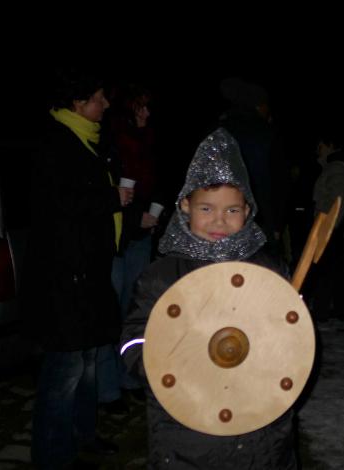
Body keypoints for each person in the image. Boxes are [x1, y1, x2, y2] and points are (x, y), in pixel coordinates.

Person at [120, 128, 298, 469]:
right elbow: (134, 341)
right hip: (189, 431)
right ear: (185, 206)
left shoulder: (268, 269)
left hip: (260, 431)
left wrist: (290, 321)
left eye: (232, 210)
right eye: (206, 208)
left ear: (248, 210)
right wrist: (172, 369)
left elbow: (292, 337)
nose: (219, 220)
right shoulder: (161, 276)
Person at [22, 67, 130, 468]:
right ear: (78, 102)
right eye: (99, 98)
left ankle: (83, 436)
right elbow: (57, 207)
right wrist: (110, 198)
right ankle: (52, 455)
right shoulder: (55, 142)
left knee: (86, 363)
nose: (105, 105)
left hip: (88, 273)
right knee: (65, 369)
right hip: (63, 277)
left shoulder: (87, 140)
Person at [96, 83, 161, 412]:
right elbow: (108, 195)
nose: (146, 113)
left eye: (148, 107)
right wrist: (136, 217)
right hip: (115, 240)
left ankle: (129, 378)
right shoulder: (109, 142)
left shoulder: (150, 141)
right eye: (140, 107)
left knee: (134, 311)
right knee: (109, 312)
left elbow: (159, 182)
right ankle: (107, 390)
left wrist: (156, 213)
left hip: (140, 237)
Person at [219, 77, 289, 258]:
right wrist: (277, 224)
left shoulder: (218, 131)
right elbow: (279, 182)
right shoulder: (268, 133)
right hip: (260, 221)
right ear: (259, 106)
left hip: (220, 219)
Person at [309, 129, 344, 322]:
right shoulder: (334, 167)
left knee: (326, 272)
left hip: (335, 229)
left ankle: (322, 312)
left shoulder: (335, 168)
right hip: (341, 229)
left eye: (321, 146)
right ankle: (340, 311)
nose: (318, 150)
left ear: (330, 146)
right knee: (339, 272)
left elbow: (338, 202)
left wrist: (327, 228)